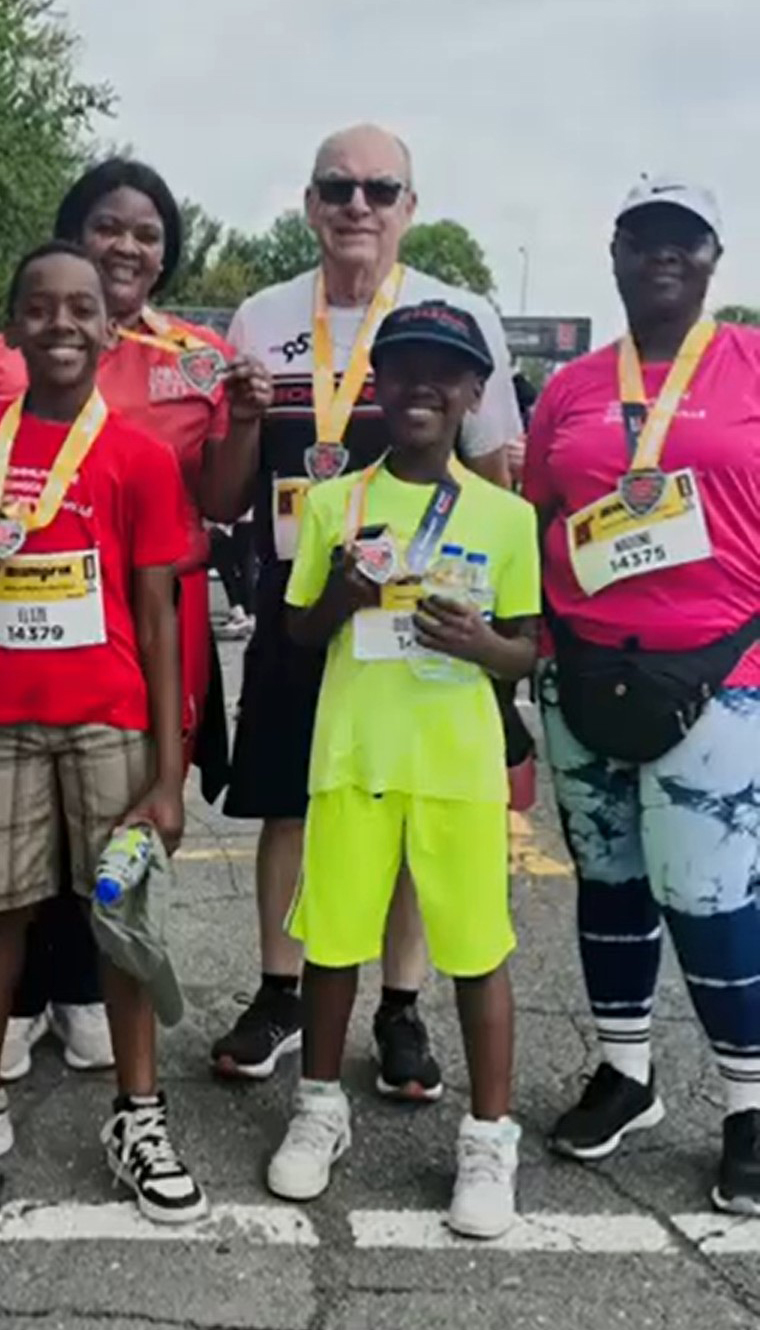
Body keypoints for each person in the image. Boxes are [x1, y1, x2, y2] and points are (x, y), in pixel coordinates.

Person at [0, 241, 208, 1224]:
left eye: (83, 309)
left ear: (113, 329)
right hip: (0, 716)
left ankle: (139, 1114)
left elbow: (157, 617)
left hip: (109, 720)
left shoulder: (140, 457)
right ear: (13, 325)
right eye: (39, 308)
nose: (62, 323)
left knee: (124, 922)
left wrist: (169, 768)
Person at [214, 124, 524, 1094]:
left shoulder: (460, 311)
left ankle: (400, 1007)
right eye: (336, 189)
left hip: (423, 618)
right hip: (301, 595)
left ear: (408, 208)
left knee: (404, 806)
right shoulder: (261, 315)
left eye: (379, 190)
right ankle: (279, 989)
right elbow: (224, 490)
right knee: (289, 809)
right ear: (308, 204)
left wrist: (488, 630)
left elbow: (494, 472)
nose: (357, 206)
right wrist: (249, 417)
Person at [0, 159, 271, 1082]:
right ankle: (24, 991)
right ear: (75, 232)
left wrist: (239, 424)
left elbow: (223, 502)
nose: (126, 245)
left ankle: (83, 986)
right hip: (46, 609)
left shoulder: (192, 357)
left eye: (147, 234)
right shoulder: (25, 344)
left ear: (166, 256)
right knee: (29, 800)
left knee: (127, 812)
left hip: (161, 615)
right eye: (109, 225)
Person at [269, 301, 538, 1237]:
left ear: (474, 392)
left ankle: (489, 1138)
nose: (423, 385)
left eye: (446, 371)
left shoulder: (506, 516)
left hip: (459, 768)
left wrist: (481, 643)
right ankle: (317, 1111)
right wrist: (340, 595)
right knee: (334, 941)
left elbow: (528, 650)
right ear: (375, 385)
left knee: (476, 952)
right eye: (404, 368)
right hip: (352, 759)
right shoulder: (336, 502)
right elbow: (298, 633)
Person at [524, 176, 760, 1215]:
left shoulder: (753, 367)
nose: (664, 257)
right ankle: (626, 1073)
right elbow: (539, 517)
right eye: (644, 239)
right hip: (580, 666)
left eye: (686, 241)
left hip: (721, 674)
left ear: (713, 259)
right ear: (614, 255)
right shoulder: (572, 388)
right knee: (610, 882)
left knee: (709, 900)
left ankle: (749, 1107)